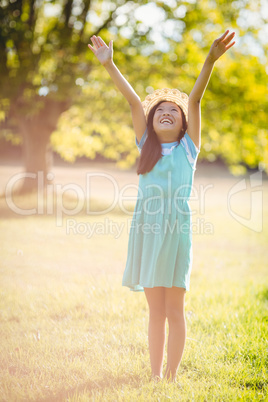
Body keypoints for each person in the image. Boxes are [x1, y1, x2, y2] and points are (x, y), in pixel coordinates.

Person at [88, 30, 235, 382]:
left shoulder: (188, 149)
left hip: (177, 233)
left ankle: (171, 375)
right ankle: (155, 376)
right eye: (160, 111)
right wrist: (110, 66)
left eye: (174, 111)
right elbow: (134, 102)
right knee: (155, 311)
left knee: (175, 309)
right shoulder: (145, 146)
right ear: (151, 123)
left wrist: (209, 61)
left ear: (184, 124)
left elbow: (196, 100)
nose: (166, 113)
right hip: (147, 232)